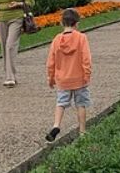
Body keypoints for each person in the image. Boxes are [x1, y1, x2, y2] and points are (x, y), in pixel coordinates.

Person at [45, 8, 92, 142]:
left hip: (62, 79)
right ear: (77, 23)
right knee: (81, 104)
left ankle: (56, 125)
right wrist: (87, 74)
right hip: (79, 78)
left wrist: (51, 77)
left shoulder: (57, 40)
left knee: (61, 103)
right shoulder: (81, 38)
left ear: (62, 23)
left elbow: (50, 61)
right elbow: (86, 58)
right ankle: (82, 131)